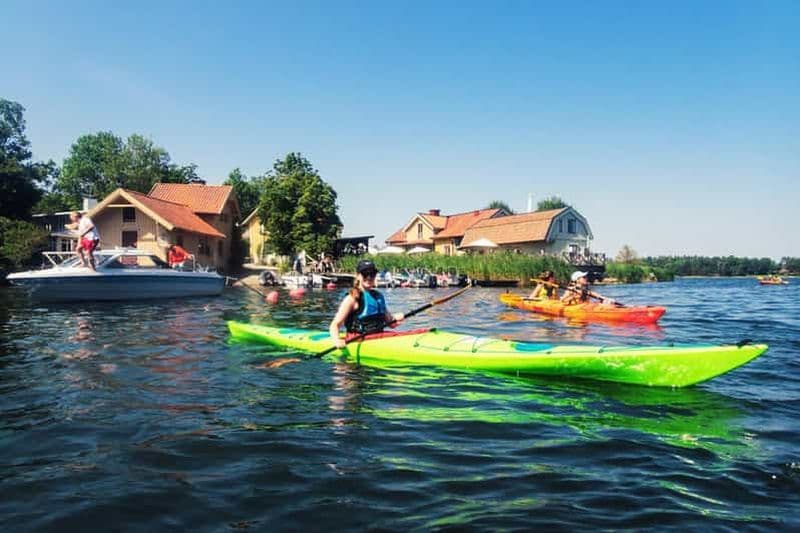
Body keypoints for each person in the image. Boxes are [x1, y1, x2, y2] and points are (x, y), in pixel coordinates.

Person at [329, 259, 404, 349]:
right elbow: (335, 325)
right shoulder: (352, 298)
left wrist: (397, 318)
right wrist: (337, 340)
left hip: (378, 337)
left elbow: (391, 324)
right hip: (358, 339)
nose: (369, 277)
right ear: (358, 276)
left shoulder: (378, 296)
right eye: (365, 274)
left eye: (372, 274)